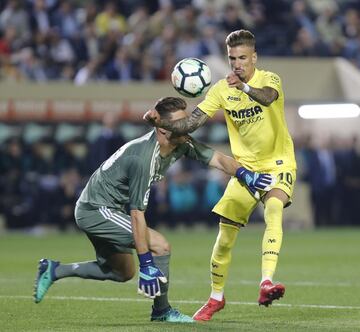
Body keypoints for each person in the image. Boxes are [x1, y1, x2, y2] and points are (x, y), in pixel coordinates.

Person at [33, 96, 274, 323]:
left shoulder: (181, 142)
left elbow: (218, 159)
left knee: (122, 272)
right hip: (96, 210)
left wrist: (245, 174)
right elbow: (137, 214)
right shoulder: (144, 158)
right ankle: (162, 310)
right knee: (160, 245)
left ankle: (54, 270)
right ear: (163, 129)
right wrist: (146, 262)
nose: (188, 124)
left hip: (108, 209)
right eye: (181, 121)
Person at [144, 29, 297, 320]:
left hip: (278, 164)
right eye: (232, 58)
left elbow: (267, 98)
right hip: (245, 170)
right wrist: (160, 121)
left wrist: (245, 89)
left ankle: (266, 281)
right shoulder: (220, 90)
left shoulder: (269, 79)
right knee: (225, 236)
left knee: (274, 209)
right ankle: (216, 297)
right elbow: (191, 123)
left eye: (242, 58)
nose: (237, 63)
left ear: (254, 57)